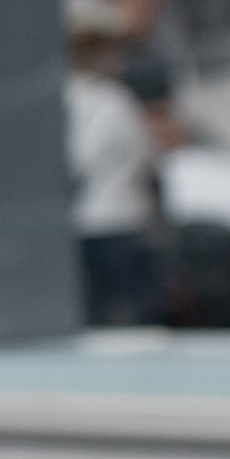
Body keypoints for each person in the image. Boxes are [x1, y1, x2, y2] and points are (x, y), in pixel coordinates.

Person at [67, 17, 162, 326]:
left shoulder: (64, 97)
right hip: (117, 220)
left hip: (84, 219)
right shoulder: (110, 101)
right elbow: (142, 153)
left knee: (94, 311)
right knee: (133, 309)